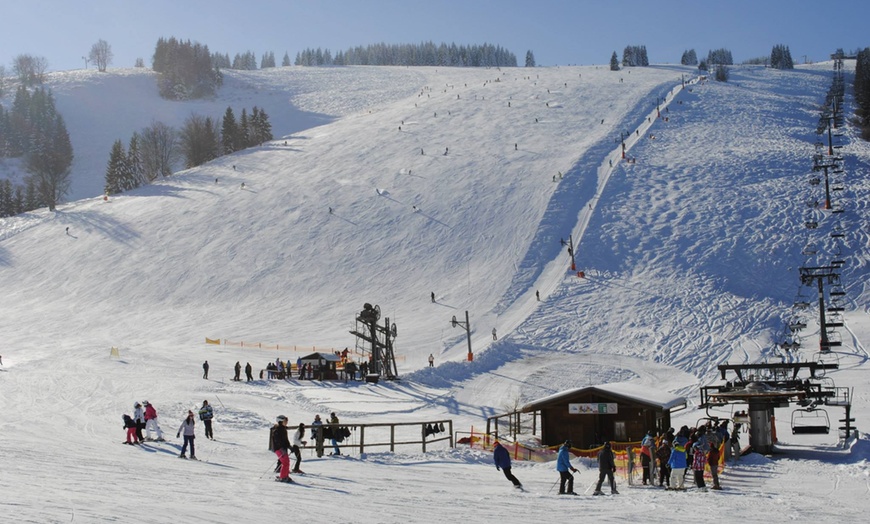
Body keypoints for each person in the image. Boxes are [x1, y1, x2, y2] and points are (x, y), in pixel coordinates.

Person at [270, 415, 292, 483]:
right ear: (281, 421)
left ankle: (285, 476)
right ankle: (282, 477)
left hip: (282, 448)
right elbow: (277, 441)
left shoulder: (283, 429)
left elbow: (286, 440)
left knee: (287, 462)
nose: (286, 422)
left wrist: (290, 447)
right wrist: (282, 447)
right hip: (279, 449)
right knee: (285, 462)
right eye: (285, 421)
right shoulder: (278, 430)